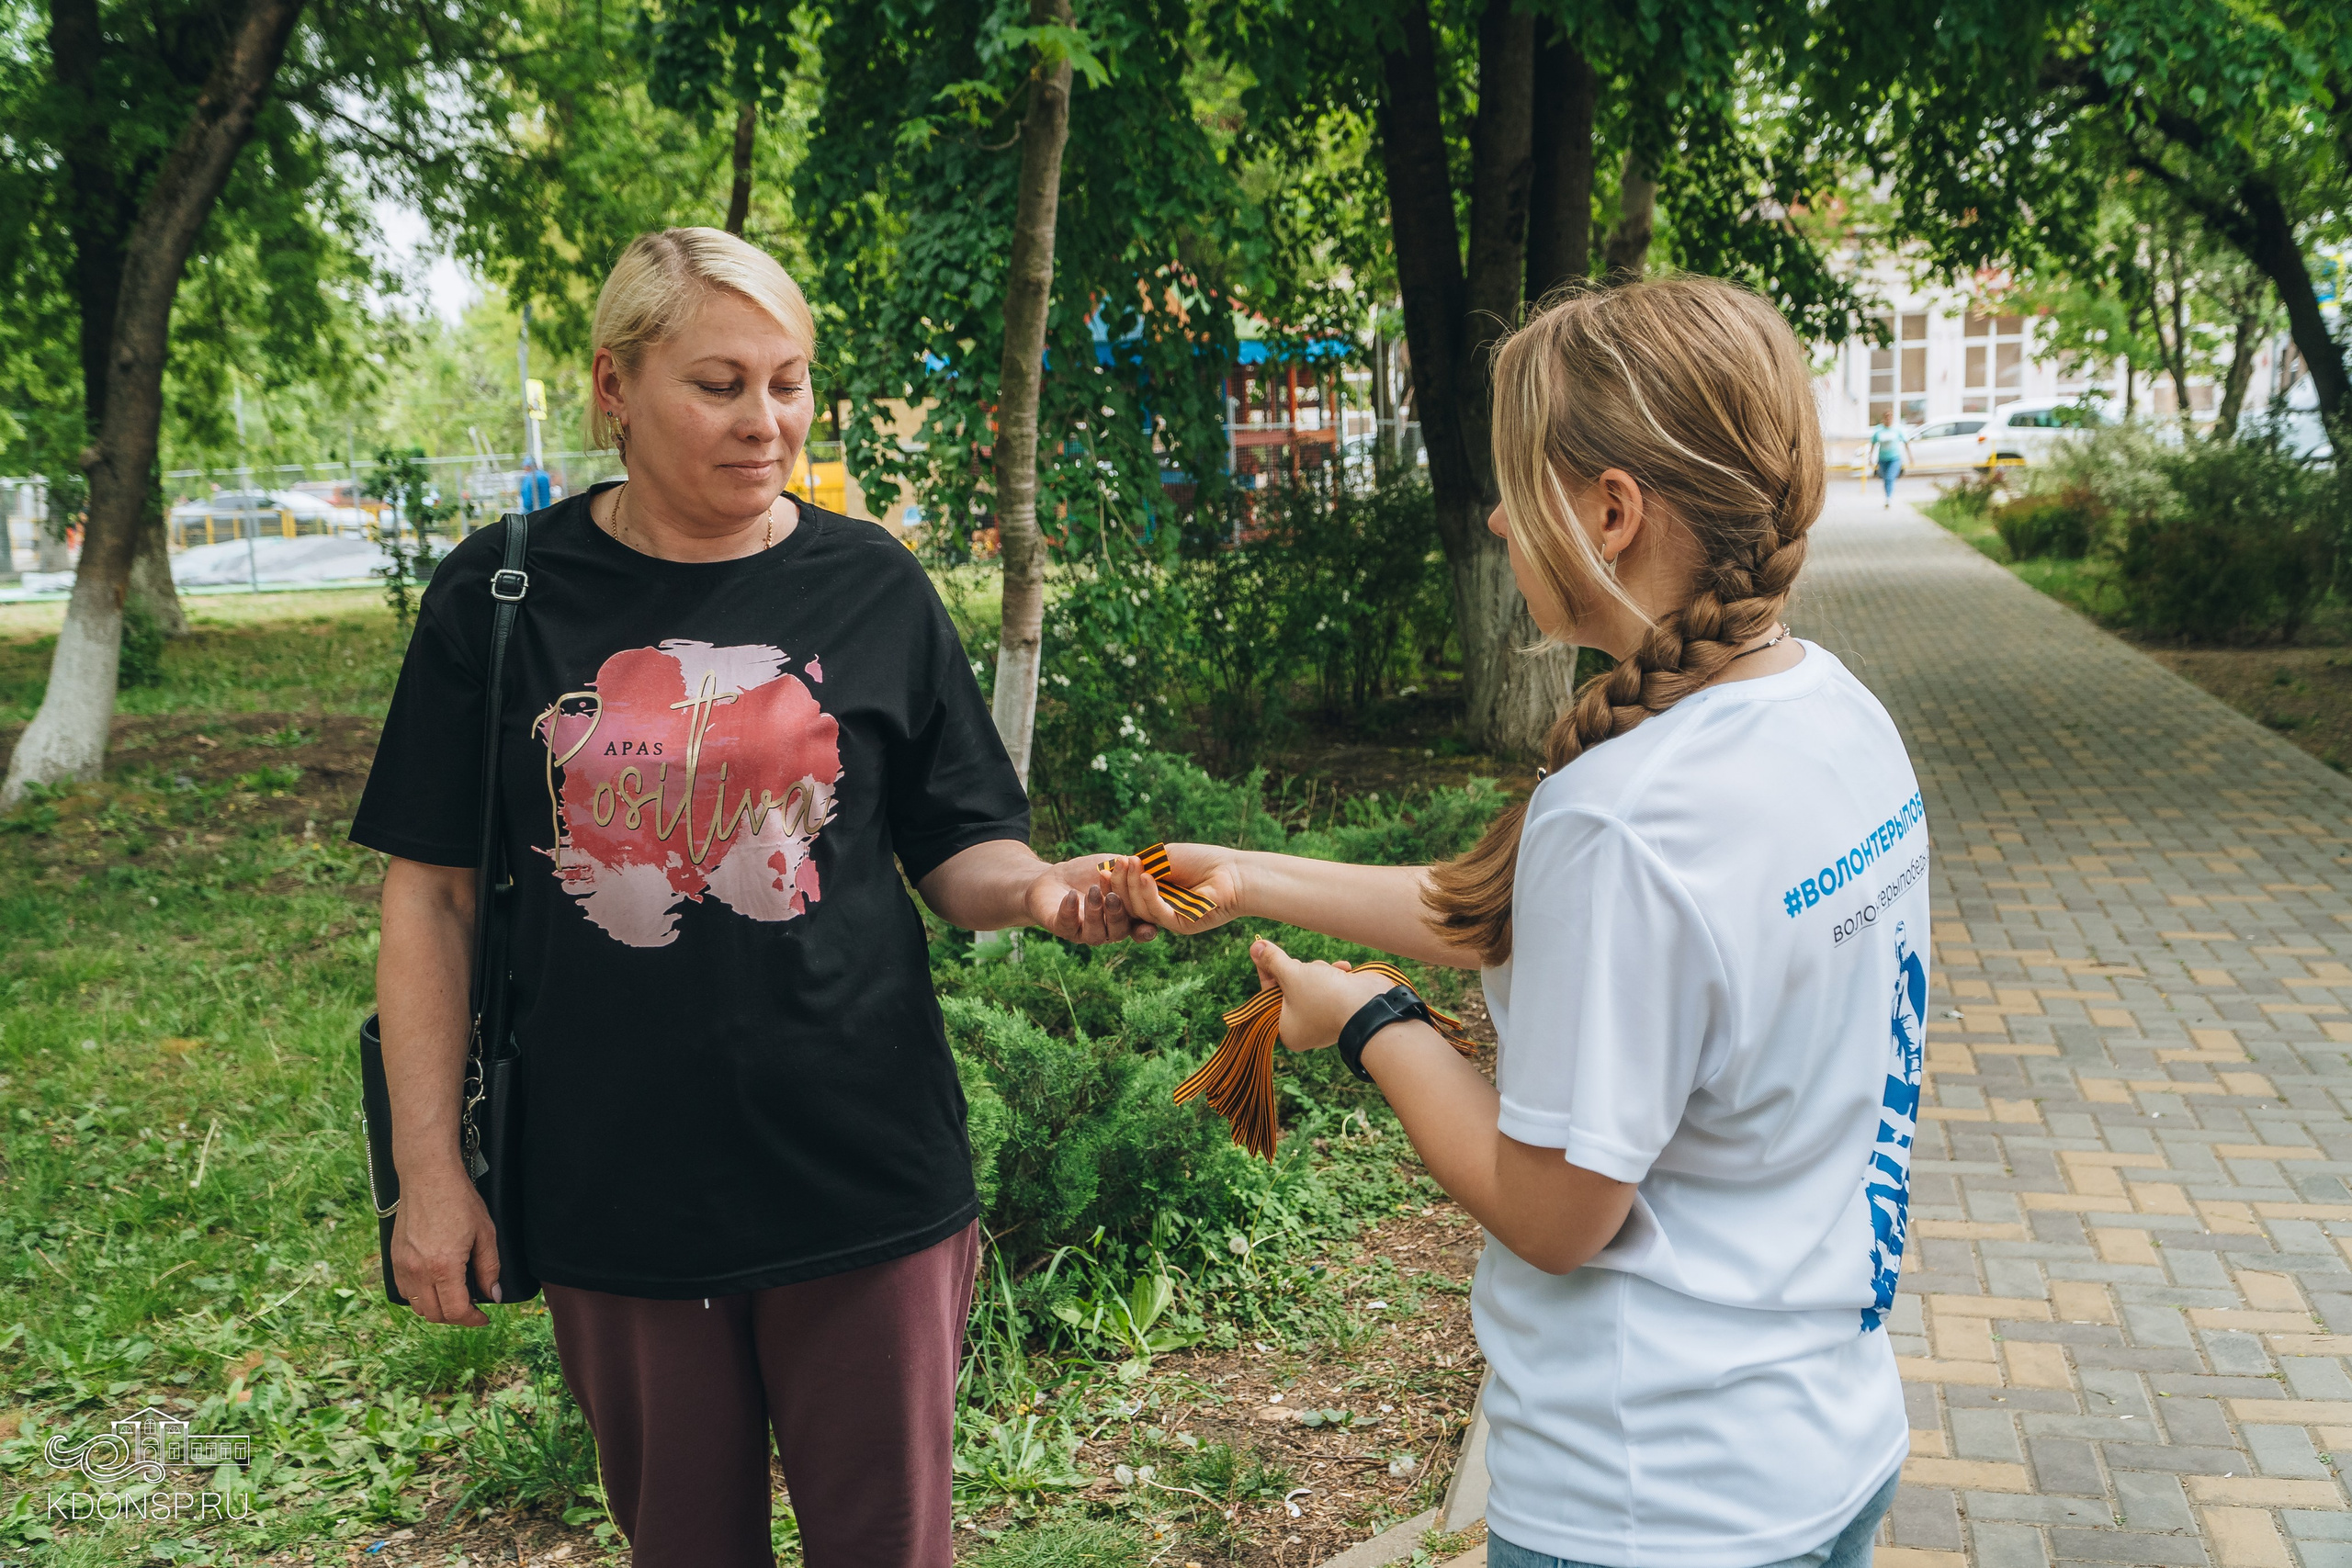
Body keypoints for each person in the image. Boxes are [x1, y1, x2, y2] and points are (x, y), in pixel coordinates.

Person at [353, 228, 1149, 1568]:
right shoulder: (502, 596)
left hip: (863, 1163)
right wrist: (430, 1176)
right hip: (618, 1181)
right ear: (615, 386)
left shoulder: (872, 581)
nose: (766, 421)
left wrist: (1048, 896)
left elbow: (961, 846)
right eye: (719, 383)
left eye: (789, 383)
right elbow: (429, 899)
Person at [1106, 277, 1927, 1568]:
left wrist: (1371, 1019)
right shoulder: (1831, 713)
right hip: (1819, 1449)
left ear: (1611, 512)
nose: (1494, 515)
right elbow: (1520, 914)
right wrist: (1249, 874)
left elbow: (1554, 1215)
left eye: (1515, 484)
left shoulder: (1628, 814)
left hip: (1652, 1505)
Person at [1865, 414, 1909, 507]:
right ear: (1883, 419)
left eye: (1890, 418)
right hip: (1882, 459)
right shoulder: (1879, 430)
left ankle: (1888, 498)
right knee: (1885, 479)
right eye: (1886, 418)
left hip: (1895, 458)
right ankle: (1887, 495)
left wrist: (1910, 457)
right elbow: (1873, 444)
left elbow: (1906, 442)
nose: (1888, 420)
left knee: (1890, 477)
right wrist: (1870, 458)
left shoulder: (1897, 429)